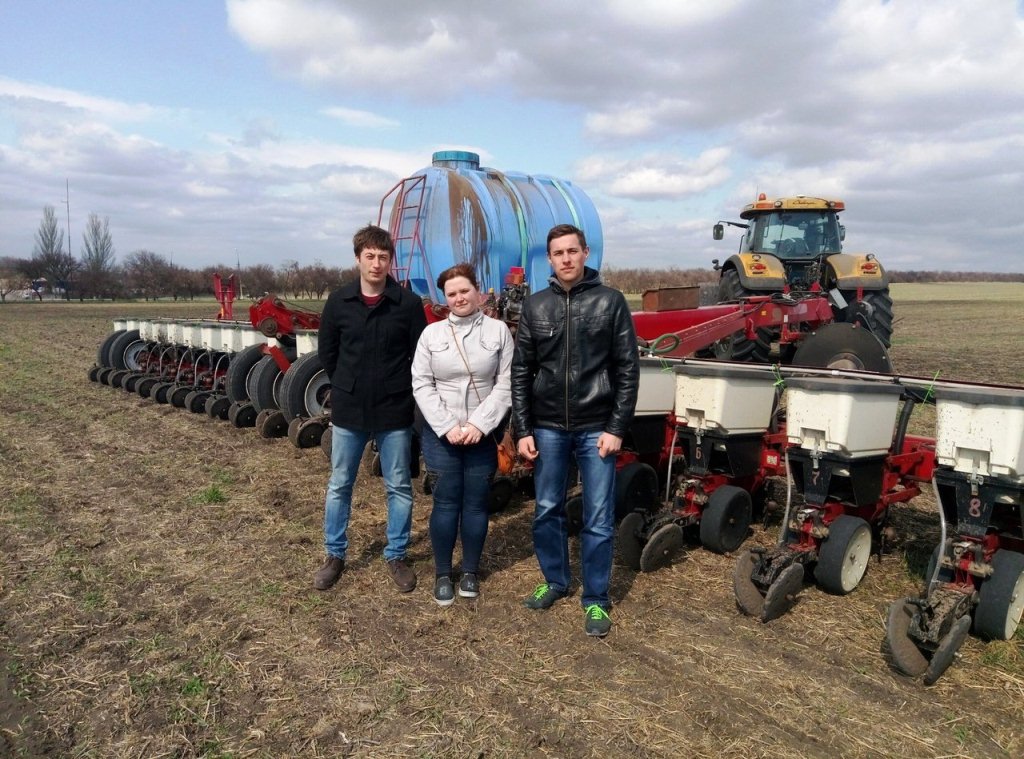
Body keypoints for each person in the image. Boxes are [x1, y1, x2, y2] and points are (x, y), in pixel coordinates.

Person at [511, 223, 639, 637]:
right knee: (546, 508)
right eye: (558, 253)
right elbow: (521, 371)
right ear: (549, 259)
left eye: (572, 251)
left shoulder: (610, 302)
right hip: (547, 426)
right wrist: (523, 428)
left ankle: (596, 599)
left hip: (597, 426)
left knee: (598, 517)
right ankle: (555, 580)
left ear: (585, 253)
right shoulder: (535, 306)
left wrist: (616, 426)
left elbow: (627, 369)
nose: (565, 258)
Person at [313, 224, 428, 593]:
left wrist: (399, 389)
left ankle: (396, 554)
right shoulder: (339, 302)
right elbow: (328, 353)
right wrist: (348, 385)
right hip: (350, 410)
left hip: (394, 409)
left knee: (399, 485)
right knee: (340, 484)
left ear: (390, 260)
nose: (377, 263)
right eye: (370, 256)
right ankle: (334, 554)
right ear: (358, 259)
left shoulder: (407, 304)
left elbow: (419, 356)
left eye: (383, 257)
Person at [412, 263, 513, 606]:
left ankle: (470, 570)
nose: (459, 298)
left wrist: (479, 425)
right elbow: (422, 383)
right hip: (442, 435)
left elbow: (506, 383)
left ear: (477, 291)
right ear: (445, 298)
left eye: (464, 290)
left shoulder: (499, 332)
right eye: (451, 293)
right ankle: (443, 573)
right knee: (445, 502)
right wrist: (448, 427)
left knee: (475, 504)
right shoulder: (432, 335)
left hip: (482, 435)